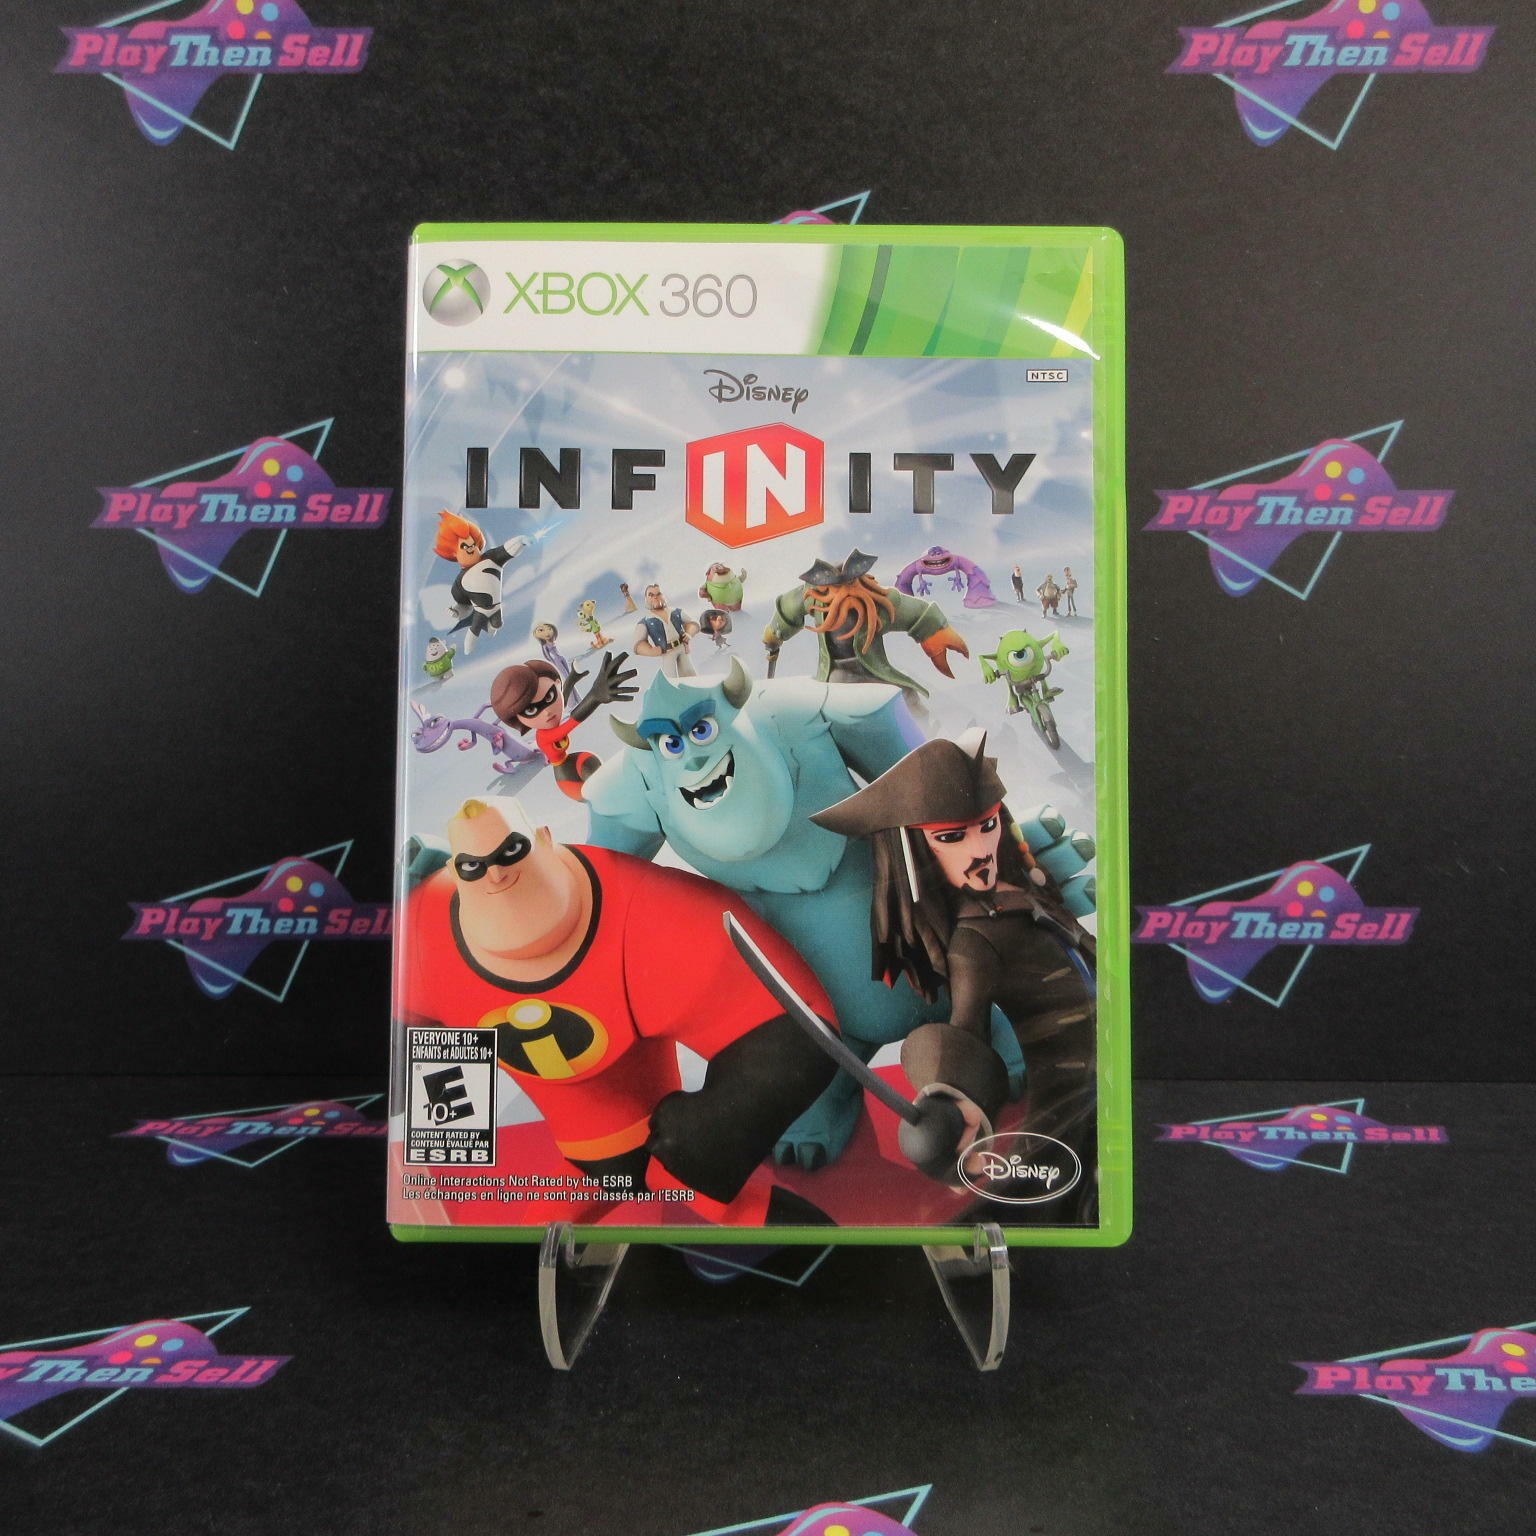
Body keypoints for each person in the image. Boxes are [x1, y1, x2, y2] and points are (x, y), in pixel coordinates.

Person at [398, 797, 838, 1223]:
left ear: (544, 838)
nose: (495, 874)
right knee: (567, 1206)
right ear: (455, 870)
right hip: (587, 1134)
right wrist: (445, 1132)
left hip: (654, 1094)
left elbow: (798, 1028)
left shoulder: (647, 905)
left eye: (510, 851)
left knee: (691, 1168)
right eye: (473, 866)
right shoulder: (424, 931)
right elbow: (408, 1038)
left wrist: (713, 1133)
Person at [810, 732, 1097, 1216]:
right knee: (1054, 1190)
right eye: (950, 837)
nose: (980, 848)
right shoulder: (972, 943)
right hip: (1070, 1089)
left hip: (1112, 1066)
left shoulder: (1025, 893)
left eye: (987, 826)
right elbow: (968, 1026)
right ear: (917, 850)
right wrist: (949, 1103)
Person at [490, 651, 636, 799]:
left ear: (557, 683)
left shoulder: (550, 721)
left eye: (549, 696)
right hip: (570, 781)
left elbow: (562, 702)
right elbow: (572, 721)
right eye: (531, 710)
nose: (547, 712)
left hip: (574, 764)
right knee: (597, 780)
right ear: (517, 719)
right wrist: (594, 696)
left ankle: (616, 792)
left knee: (592, 764)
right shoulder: (544, 736)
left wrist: (571, 679)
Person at [633, 583, 699, 678]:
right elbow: (638, 644)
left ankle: (692, 685)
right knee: (669, 675)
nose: (655, 597)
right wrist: (651, 651)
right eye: (651, 595)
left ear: (664, 596)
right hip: (667, 651)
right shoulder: (646, 622)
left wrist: (689, 633)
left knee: (688, 672)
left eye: (658, 594)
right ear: (646, 599)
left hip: (681, 646)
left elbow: (694, 623)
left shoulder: (676, 612)